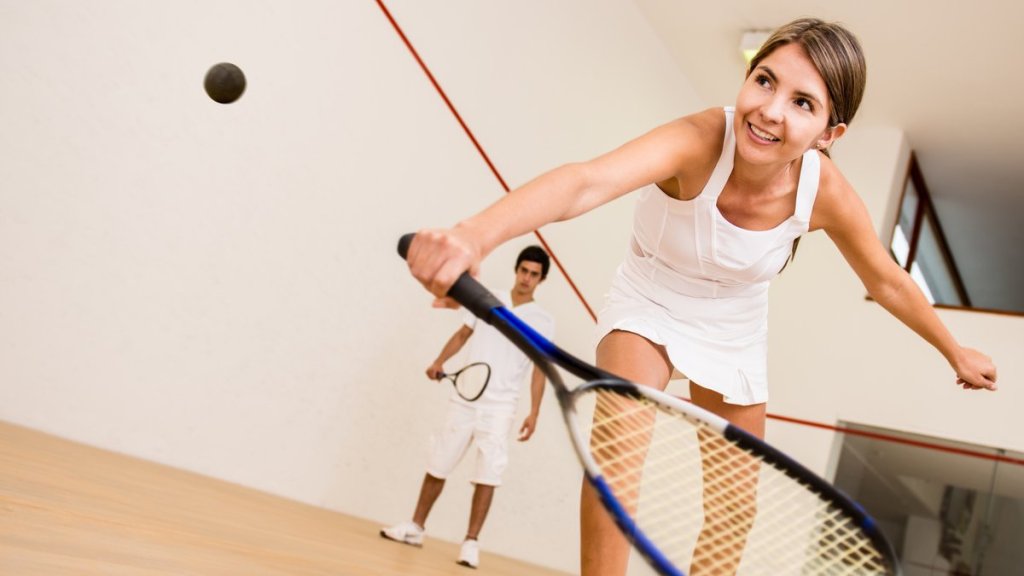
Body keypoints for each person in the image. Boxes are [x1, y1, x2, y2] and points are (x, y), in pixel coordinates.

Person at [402, 17, 998, 576]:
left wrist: (955, 351)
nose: (768, 111)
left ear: (829, 133)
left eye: (802, 103)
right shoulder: (699, 139)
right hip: (650, 298)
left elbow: (887, 280)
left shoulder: (825, 193)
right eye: (764, 80)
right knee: (618, 464)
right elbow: (585, 182)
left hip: (734, 325)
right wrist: (471, 236)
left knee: (737, 508)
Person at [381, 245, 555, 569]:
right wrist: (439, 361)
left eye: (534, 274)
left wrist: (535, 412)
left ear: (541, 279)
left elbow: (539, 369)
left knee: (488, 474)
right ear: (517, 270)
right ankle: (415, 527)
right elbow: (462, 334)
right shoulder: (489, 300)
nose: (526, 278)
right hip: (465, 399)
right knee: (439, 461)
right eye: (523, 271)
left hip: (501, 407)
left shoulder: (542, 321)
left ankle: (471, 543)